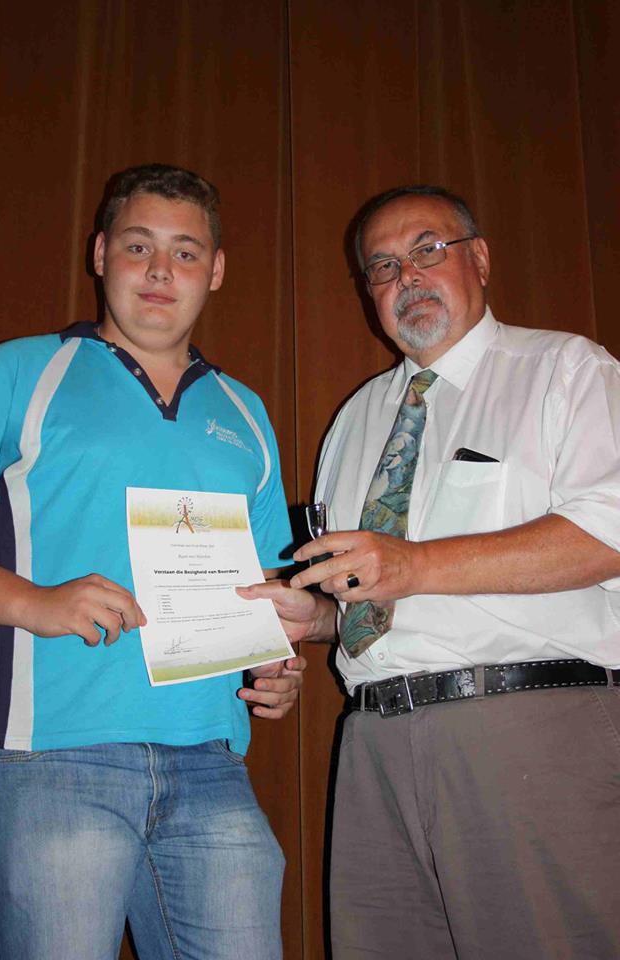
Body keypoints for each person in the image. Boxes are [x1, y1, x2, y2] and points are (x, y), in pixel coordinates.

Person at [241, 185, 620, 959]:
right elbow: (372, 590)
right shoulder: (355, 418)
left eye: (426, 250)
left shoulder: (564, 368)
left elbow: (607, 534)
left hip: (528, 728)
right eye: (382, 266)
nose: (405, 276)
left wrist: (413, 564)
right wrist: (316, 619)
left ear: (478, 259)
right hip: (372, 743)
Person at [0, 163, 305, 960]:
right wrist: (34, 603)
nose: (161, 271)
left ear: (215, 270)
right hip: (49, 757)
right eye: (138, 246)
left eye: (185, 253)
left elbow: (264, 588)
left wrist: (273, 661)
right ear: (100, 255)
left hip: (212, 764)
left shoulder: (246, 411)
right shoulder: (18, 371)